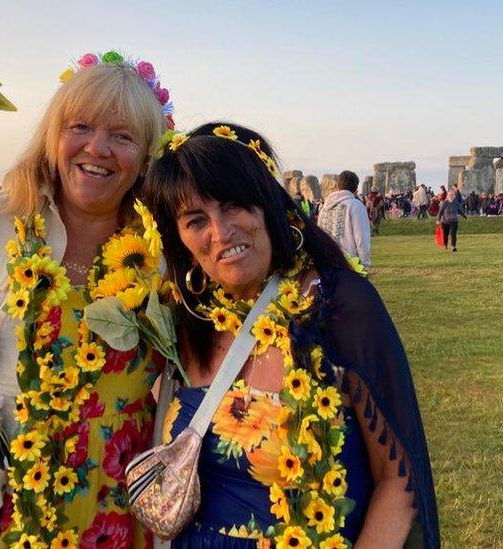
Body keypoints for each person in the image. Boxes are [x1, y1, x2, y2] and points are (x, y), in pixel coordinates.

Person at [0, 51, 172, 544]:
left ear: (147, 153)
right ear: (53, 136)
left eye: (123, 136)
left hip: (114, 509)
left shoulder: (166, 249)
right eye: (80, 126)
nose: (97, 147)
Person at [142, 122, 439, 548]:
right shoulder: (186, 321)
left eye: (233, 205)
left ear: (268, 204)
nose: (220, 232)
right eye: (195, 220)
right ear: (179, 240)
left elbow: (399, 478)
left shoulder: (339, 306)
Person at [317, 169, 372, 270]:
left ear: (338, 186)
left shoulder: (324, 209)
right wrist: (364, 265)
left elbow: (319, 237)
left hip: (327, 264)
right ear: (356, 188)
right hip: (349, 265)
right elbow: (361, 238)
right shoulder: (356, 206)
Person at [438, 188, 467, 252]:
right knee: (445, 234)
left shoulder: (456, 202)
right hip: (445, 221)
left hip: (454, 221)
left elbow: (459, 210)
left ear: (454, 196)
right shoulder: (444, 203)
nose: (451, 196)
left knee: (453, 234)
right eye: (449, 195)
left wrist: (464, 216)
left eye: (452, 195)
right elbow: (440, 211)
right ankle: (445, 245)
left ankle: (453, 246)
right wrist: (438, 219)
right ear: (447, 196)